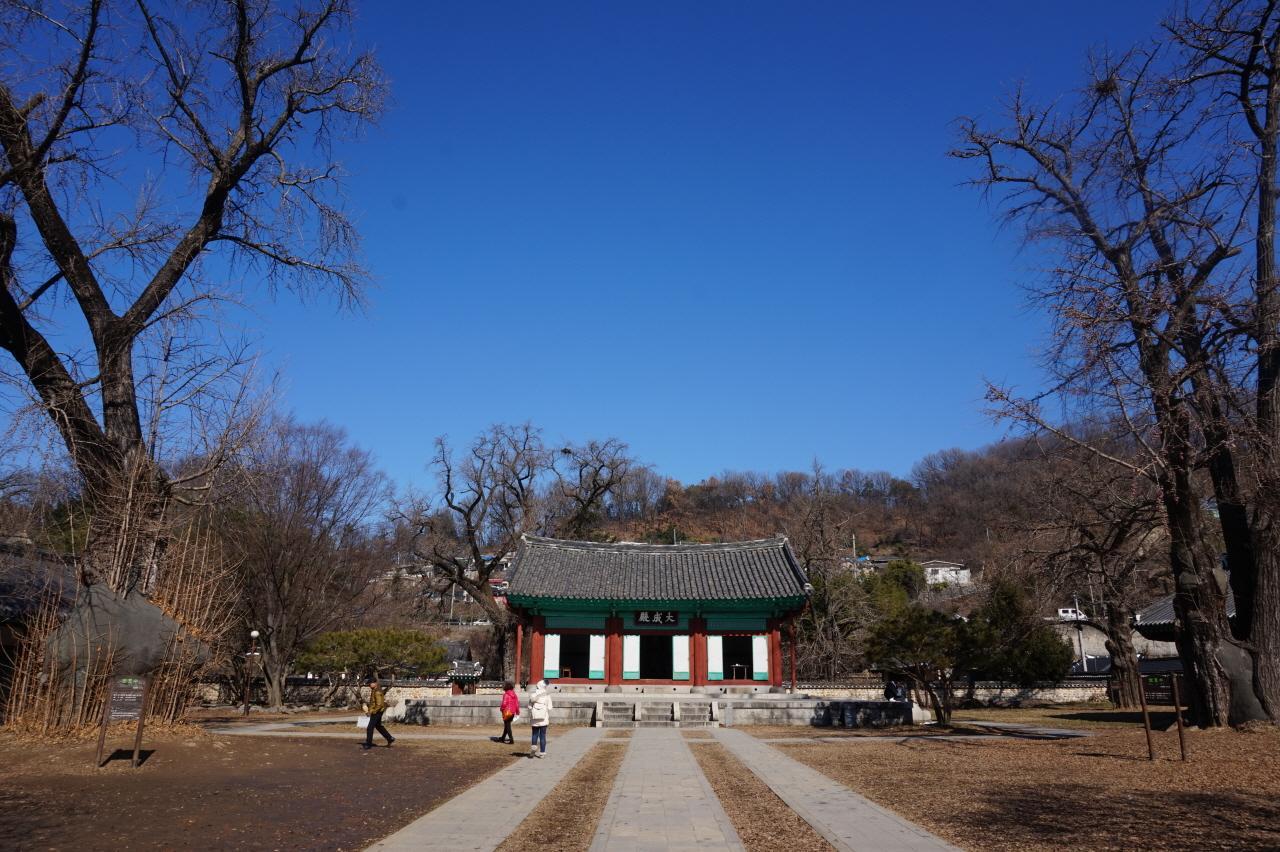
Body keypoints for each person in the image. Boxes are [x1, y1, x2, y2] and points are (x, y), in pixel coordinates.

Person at [363, 675, 395, 750]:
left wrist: (372, 712)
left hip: (377, 712)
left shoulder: (377, 691)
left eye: (370, 683)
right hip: (377, 711)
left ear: (375, 683)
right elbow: (374, 703)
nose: (369, 685)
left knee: (370, 728)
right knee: (378, 726)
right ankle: (390, 738)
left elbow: (379, 704)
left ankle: (368, 744)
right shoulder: (375, 690)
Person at [527, 679, 552, 758]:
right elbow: (550, 707)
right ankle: (542, 753)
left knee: (534, 734)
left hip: (535, 718)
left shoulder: (533, 695)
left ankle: (533, 748)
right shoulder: (547, 695)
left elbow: (529, 706)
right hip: (543, 718)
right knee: (543, 735)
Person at [499, 680, 520, 744]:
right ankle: (503, 738)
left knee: (507, 726)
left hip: (506, 711)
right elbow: (517, 704)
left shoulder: (506, 694)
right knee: (507, 725)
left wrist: (501, 709)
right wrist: (517, 711)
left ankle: (511, 739)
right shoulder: (514, 694)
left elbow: (504, 703)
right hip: (512, 712)